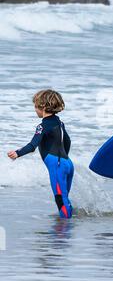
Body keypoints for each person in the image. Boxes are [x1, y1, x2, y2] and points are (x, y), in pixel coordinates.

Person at [7, 90, 74, 219]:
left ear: (42, 107)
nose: (35, 110)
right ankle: (67, 223)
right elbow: (67, 141)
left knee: (60, 200)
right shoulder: (60, 123)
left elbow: (33, 145)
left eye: (35, 106)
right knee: (64, 198)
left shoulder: (42, 126)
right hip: (67, 163)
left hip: (57, 165)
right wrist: (64, 158)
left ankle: (63, 232)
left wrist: (17, 153)